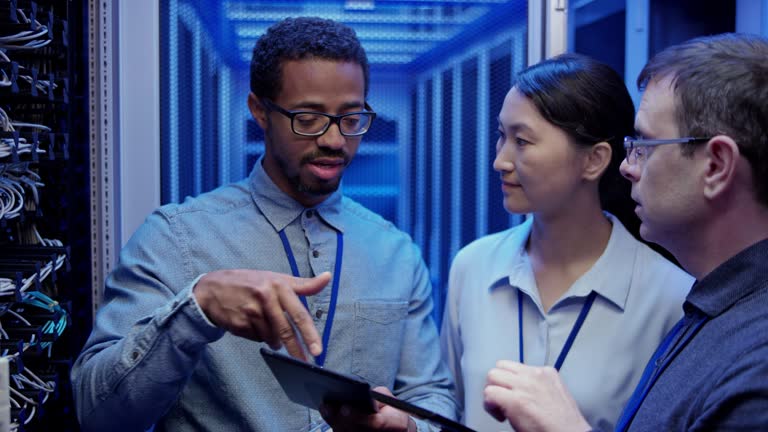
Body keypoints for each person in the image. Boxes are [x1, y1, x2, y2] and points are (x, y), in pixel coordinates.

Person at [71, 17, 457, 432]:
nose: (334, 140)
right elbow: (97, 414)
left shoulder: (396, 252)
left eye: (351, 117)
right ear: (260, 112)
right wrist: (197, 308)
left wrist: (409, 427)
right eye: (308, 118)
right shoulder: (175, 237)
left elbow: (432, 397)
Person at [483, 33, 768, 432]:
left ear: (717, 166)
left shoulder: (755, 362)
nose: (628, 167)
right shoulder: (712, 308)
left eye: (647, 145)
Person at [440, 53, 693, 432]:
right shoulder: (472, 266)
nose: (500, 161)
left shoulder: (672, 298)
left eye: (522, 141)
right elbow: (449, 408)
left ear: (594, 160)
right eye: (500, 136)